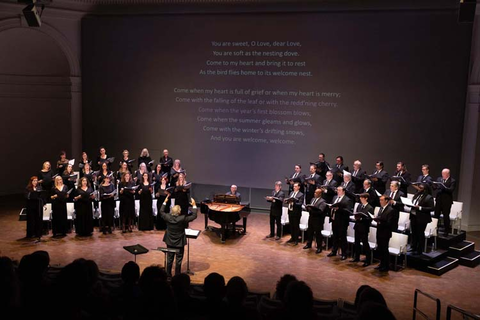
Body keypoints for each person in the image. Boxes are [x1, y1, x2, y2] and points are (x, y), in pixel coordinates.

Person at [159, 195, 198, 276]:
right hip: (179, 242)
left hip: (169, 241)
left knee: (169, 258)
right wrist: (194, 205)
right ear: (179, 212)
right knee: (178, 260)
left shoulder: (167, 217)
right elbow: (194, 216)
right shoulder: (182, 218)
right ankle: (177, 275)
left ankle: (168, 275)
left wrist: (165, 202)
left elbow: (161, 211)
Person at [327, 186, 353, 260]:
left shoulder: (347, 200)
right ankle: (334, 251)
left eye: (339, 190)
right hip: (334, 220)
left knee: (342, 238)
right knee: (335, 237)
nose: (338, 191)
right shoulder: (335, 198)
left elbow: (348, 211)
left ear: (343, 191)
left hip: (342, 222)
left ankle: (344, 253)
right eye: (337, 190)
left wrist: (339, 209)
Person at [409, 183, 434, 254]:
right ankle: (413, 247)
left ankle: (419, 250)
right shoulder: (416, 195)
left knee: (420, 233)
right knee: (413, 233)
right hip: (413, 216)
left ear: (425, 190)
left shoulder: (429, 197)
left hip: (422, 218)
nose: (419, 189)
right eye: (419, 188)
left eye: (421, 188)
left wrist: (420, 208)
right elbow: (413, 203)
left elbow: (432, 208)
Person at [374, 195, 397, 272]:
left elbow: (390, 223)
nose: (380, 201)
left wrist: (380, 221)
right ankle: (381, 263)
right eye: (380, 200)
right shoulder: (381, 208)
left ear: (386, 201)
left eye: (381, 200)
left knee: (384, 249)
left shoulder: (390, 210)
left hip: (385, 233)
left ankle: (385, 266)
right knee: (380, 249)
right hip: (379, 231)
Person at [351, 193, 373, 266]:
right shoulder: (359, 206)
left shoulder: (370, 208)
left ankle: (368, 260)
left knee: (365, 244)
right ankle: (356, 257)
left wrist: (361, 218)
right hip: (357, 227)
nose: (360, 199)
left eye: (362, 198)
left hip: (364, 228)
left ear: (366, 198)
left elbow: (370, 219)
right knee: (356, 243)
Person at [303, 188, 327, 253]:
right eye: (314, 192)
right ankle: (309, 244)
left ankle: (319, 247)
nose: (314, 194)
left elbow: (320, 211)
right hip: (311, 218)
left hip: (318, 220)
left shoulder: (323, 201)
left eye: (316, 193)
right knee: (310, 232)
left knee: (318, 234)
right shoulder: (312, 199)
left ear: (320, 194)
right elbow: (310, 209)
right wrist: (307, 208)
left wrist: (312, 209)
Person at [433, 168, 456, 235]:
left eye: (444, 174)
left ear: (448, 174)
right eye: (442, 173)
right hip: (439, 200)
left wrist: (443, 187)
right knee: (436, 215)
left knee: (446, 216)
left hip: (446, 201)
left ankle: (446, 231)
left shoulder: (452, 181)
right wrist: (434, 185)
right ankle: (435, 229)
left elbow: (451, 190)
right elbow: (436, 187)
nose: (442, 175)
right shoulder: (439, 179)